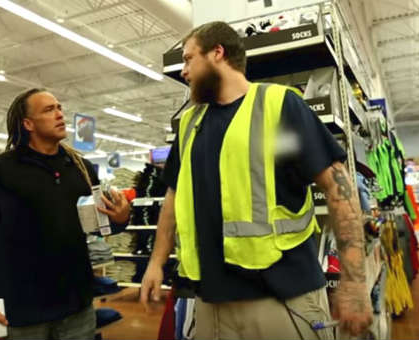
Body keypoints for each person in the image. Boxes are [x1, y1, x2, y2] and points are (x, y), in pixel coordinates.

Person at [140, 21, 373, 339]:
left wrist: (355, 283)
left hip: (282, 300)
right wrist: (156, 262)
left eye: (188, 58)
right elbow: (174, 195)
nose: (183, 70)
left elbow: (339, 188)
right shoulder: (190, 124)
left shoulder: (278, 106)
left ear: (217, 53)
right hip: (210, 303)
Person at [0, 89, 130, 340]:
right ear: (27, 123)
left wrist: (121, 218)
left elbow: (100, 226)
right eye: (49, 110)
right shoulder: (1, 171)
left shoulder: (80, 168)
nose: (60, 114)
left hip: (77, 310)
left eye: (59, 107)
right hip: (20, 314)